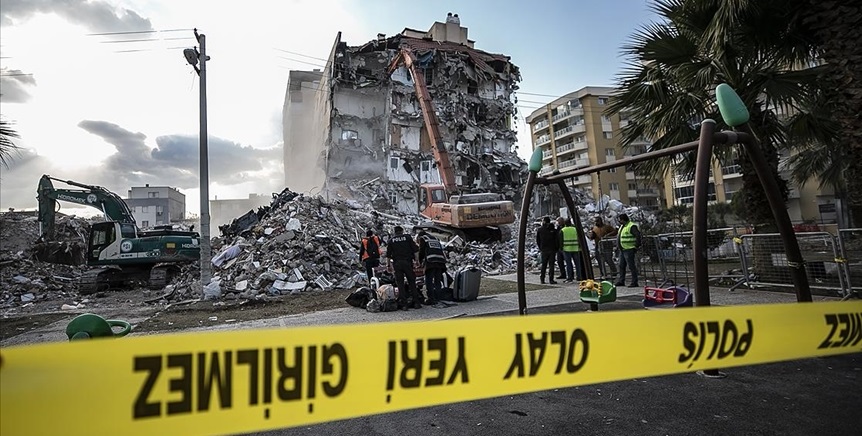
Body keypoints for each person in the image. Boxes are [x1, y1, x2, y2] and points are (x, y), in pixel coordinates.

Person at [385, 225, 423, 309]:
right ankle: (416, 302)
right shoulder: (408, 237)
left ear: (395, 232)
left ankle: (404, 304)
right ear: (402, 231)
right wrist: (417, 261)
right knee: (412, 282)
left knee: (400, 284)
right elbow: (416, 250)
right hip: (407, 262)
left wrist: (388, 265)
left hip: (397, 264)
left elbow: (388, 255)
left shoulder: (391, 240)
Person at [417, 231, 447, 303]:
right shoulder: (435, 238)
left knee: (429, 280)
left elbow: (422, 251)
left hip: (431, 261)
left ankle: (431, 298)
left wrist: (419, 261)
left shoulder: (423, 238)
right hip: (440, 261)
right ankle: (438, 297)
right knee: (437, 280)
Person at [615, 213, 643, 287]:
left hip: (629, 249)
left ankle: (634, 281)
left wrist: (636, 246)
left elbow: (638, 235)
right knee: (621, 265)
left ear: (623, 219)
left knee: (631, 266)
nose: (619, 222)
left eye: (619, 220)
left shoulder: (631, 226)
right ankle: (621, 280)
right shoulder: (622, 226)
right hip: (622, 249)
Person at [559, 218, 585, 282]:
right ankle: (579, 277)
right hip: (575, 248)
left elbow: (560, 240)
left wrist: (561, 248)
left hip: (566, 249)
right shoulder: (575, 229)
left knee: (569, 264)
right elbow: (579, 238)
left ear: (565, 223)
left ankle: (570, 277)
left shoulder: (563, 230)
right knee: (577, 264)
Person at [535, 216, 559, 284]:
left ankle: (542, 279)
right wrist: (556, 248)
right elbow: (556, 240)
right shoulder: (553, 229)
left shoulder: (540, 230)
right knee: (551, 265)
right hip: (552, 249)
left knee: (544, 265)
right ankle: (551, 279)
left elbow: (538, 240)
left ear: (544, 221)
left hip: (544, 250)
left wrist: (540, 247)